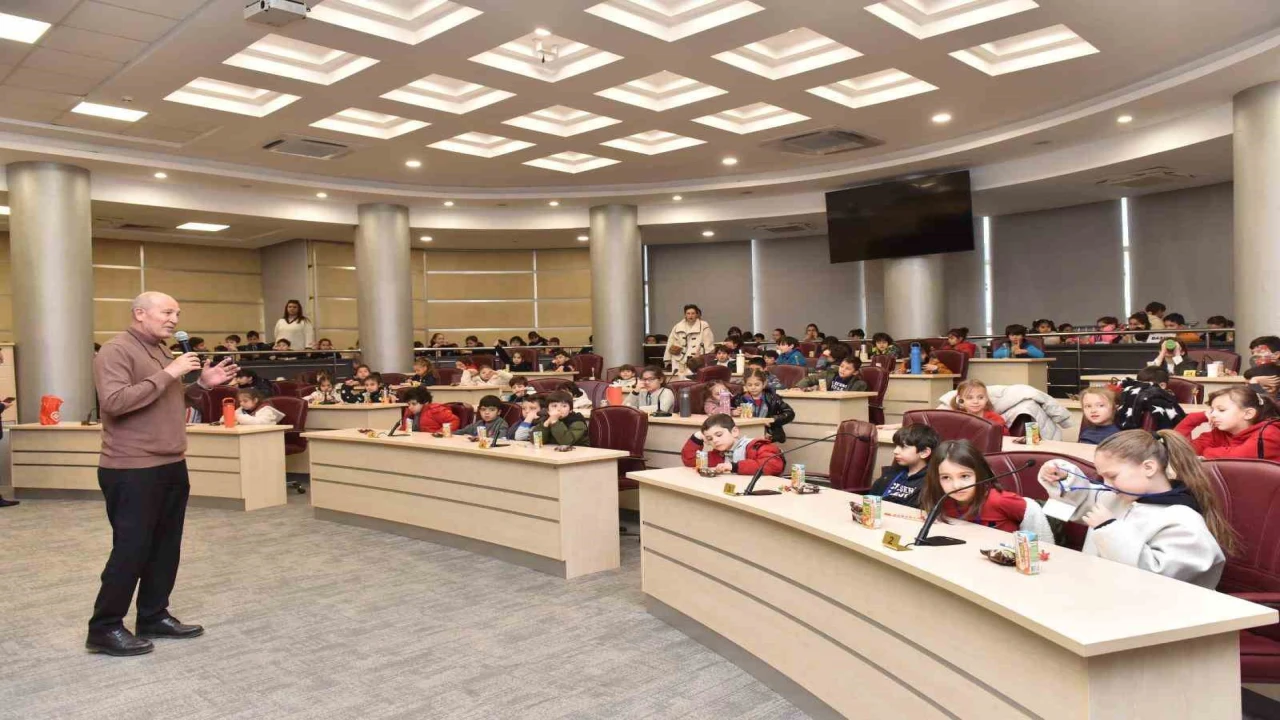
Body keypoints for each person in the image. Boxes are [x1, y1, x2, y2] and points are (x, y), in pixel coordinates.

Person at [88, 291, 239, 655]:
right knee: (131, 549)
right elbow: (114, 403)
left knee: (166, 546)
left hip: (171, 462)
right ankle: (104, 627)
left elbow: (165, 398)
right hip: (132, 467)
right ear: (140, 313)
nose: (174, 319)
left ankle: (153, 615)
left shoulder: (162, 351)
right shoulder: (116, 351)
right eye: (167, 312)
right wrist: (169, 372)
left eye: (177, 313)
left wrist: (202, 385)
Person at [1037, 430, 1233, 588]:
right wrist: (1064, 477)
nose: (1106, 484)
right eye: (1103, 477)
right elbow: (1081, 504)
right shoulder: (1119, 498)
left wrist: (1108, 529)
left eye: (1112, 476)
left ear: (1148, 468)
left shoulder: (1183, 520)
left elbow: (1161, 580)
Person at [919, 440, 1052, 537]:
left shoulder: (999, 500)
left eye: (964, 476)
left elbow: (1032, 512)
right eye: (946, 478)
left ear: (980, 473)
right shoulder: (941, 501)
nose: (956, 486)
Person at [1175, 386, 1280, 460]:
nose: (1212, 414)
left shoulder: (1270, 433)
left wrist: (1207, 452)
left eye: (1221, 410)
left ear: (1248, 414)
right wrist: (1194, 418)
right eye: (1212, 410)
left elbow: (1238, 458)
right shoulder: (1219, 433)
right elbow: (1180, 451)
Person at [680, 413, 784, 477]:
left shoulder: (756, 446)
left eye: (719, 435)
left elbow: (774, 465)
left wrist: (734, 467)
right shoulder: (718, 454)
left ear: (734, 432)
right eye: (710, 438)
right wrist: (697, 436)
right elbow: (691, 461)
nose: (715, 440)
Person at [865, 424, 939, 508]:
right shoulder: (890, 475)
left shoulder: (930, 483)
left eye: (903, 447)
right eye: (896, 446)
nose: (895, 451)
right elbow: (870, 503)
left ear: (924, 452)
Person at [734, 369, 794, 442]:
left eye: (757, 385)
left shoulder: (773, 398)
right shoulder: (739, 399)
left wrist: (772, 420)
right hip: (746, 434)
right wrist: (733, 412)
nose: (753, 387)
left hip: (769, 435)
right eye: (749, 385)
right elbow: (727, 414)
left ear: (764, 384)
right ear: (745, 385)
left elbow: (789, 412)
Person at [664, 304, 715, 377]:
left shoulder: (704, 325)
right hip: (679, 358)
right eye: (688, 313)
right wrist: (668, 358)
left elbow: (708, 342)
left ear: (696, 314)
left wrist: (702, 355)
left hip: (696, 360)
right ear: (685, 315)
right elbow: (670, 342)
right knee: (679, 379)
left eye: (693, 313)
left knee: (696, 378)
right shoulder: (677, 326)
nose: (690, 316)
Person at [796, 350, 868, 392]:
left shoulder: (859, 384)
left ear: (855, 372)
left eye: (847, 369)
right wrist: (800, 388)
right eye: (842, 366)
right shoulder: (830, 374)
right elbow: (809, 379)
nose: (843, 370)